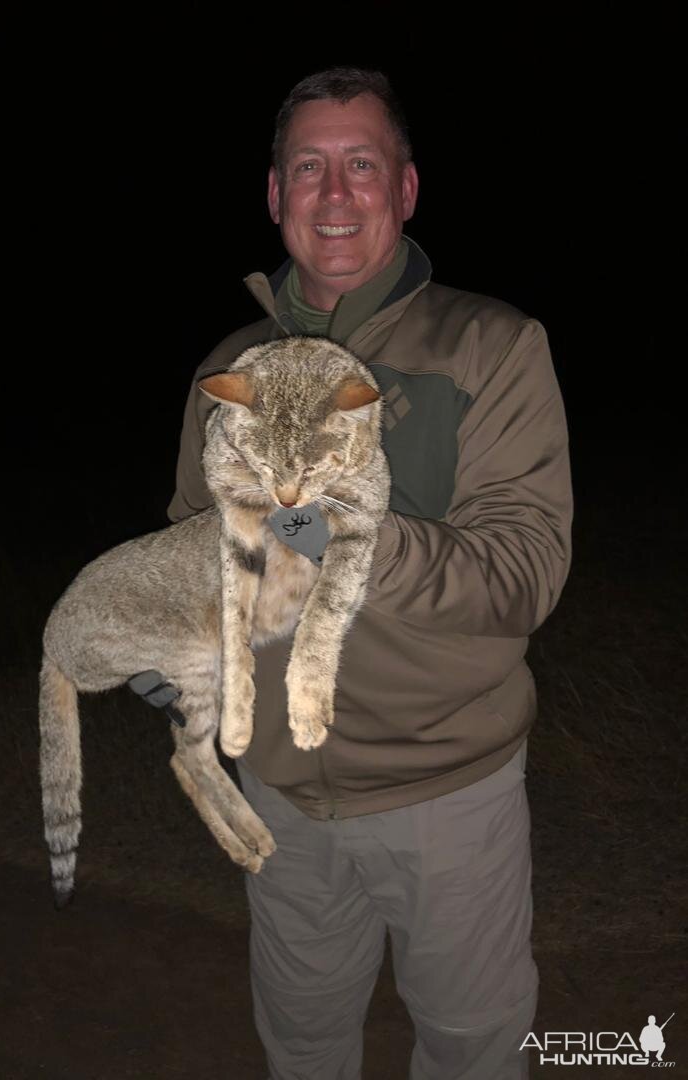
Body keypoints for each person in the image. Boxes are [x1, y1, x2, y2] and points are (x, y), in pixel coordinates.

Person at [167, 67, 572, 1080]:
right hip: (281, 798)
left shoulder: (493, 348)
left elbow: (521, 576)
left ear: (405, 190)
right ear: (275, 195)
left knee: (473, 1051)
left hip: (446, 795)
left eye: (362, 166)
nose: (335, 194)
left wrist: (335, 531)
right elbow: (190, 548)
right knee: (302, 1045)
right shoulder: (227, 369)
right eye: (310, 167)